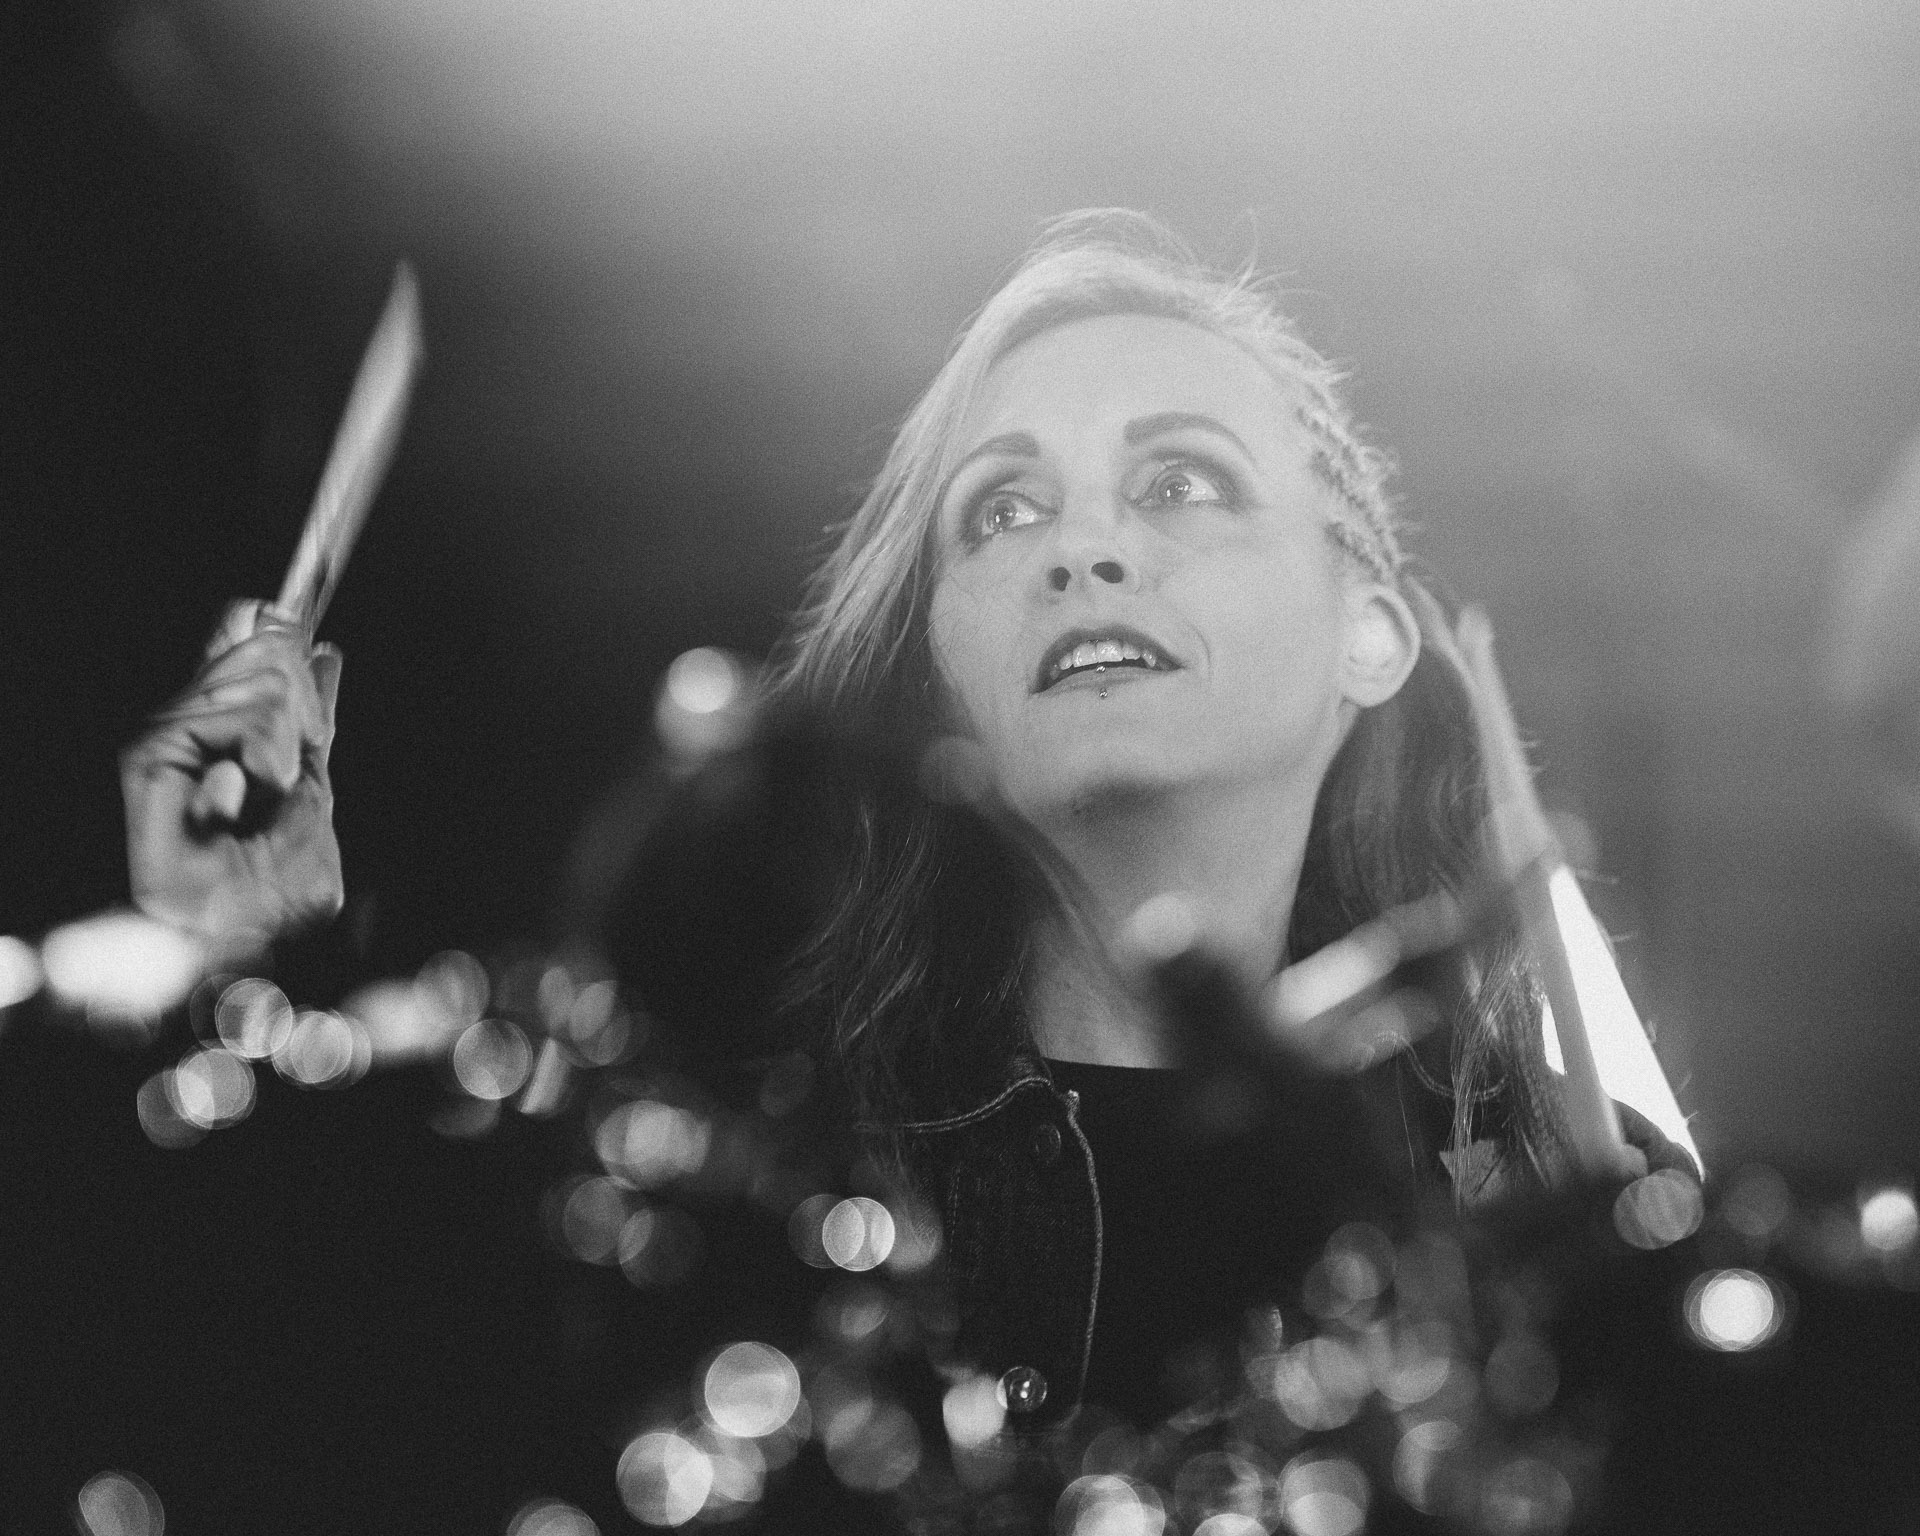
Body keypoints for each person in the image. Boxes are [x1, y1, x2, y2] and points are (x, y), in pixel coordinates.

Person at [124, 211, 1672, 1435]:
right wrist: (239, 955)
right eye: (1003, 511)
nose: (1082, 549)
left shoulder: (1571, 1202)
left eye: (1184, 483)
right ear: (944, 674)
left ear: (1371, 634)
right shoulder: (737, 1160)